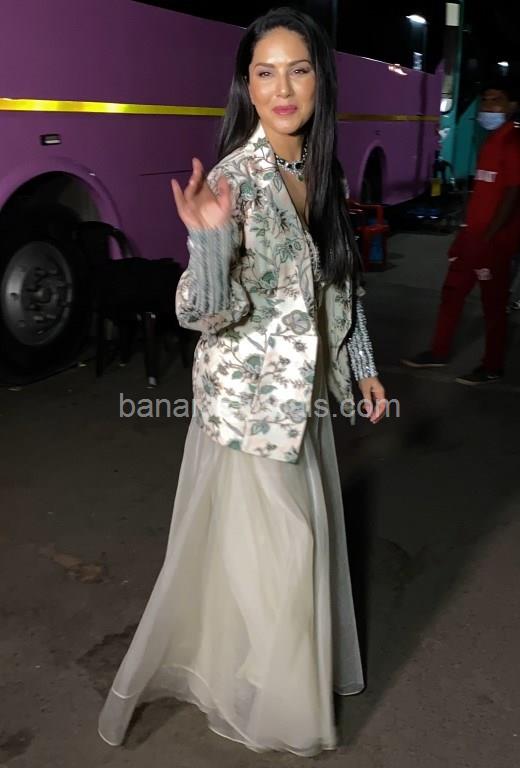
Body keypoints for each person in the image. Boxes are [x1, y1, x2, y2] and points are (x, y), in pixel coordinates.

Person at [98, 7, 386, 757]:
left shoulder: (324, 170)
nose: (282, 89)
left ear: (320, 80)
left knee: (278, 555)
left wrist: (362, 367)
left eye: (298, 70)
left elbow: (341, 283)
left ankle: (260, 677)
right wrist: (208, 241)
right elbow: (201, 313)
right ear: (247, 86)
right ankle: (279, 706)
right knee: (288, 554)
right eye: (265, 72)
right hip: (246, 408)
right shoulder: (236, 178)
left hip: (304, 400)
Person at [402, 77, 520, 384]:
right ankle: (438, 352)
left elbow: (512, 193)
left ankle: (492, 366)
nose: (488, 107)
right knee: (452, 293)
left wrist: (490, 236)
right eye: (485, 100)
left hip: (494, 242)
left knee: (493, 305)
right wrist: (465, 231)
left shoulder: (512, 142)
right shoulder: (490, 142)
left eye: (496, 100)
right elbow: (483, 193)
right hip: (472, 238)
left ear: (512, 106)